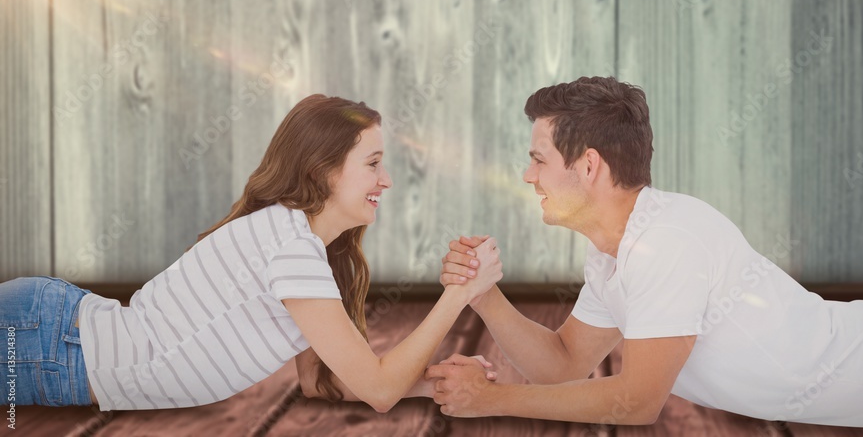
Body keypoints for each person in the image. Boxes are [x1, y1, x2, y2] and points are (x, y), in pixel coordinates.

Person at [430, 76, 863, 430]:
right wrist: (484, 297)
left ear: (588, 165)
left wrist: (494, 400)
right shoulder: (613, 253)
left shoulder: (666, 243)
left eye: (539, 158)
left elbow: (635, 402)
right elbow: (562, 364)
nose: (528, 175)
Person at [0, 94, 502, 412]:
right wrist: (458, 295)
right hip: (50, 343)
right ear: (325, 170)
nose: (386, 180)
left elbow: (324, 382)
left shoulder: (303, 252)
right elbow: (378, 389)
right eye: (372, 164)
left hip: (55, 343)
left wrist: (445, 379)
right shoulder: (291, 250)